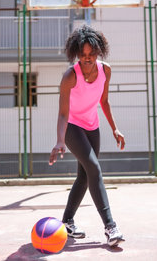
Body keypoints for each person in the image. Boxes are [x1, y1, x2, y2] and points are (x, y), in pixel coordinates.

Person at [49, 25, 126, 247]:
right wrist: (60, 140)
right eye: (82, 55)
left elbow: (104, 101)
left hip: (93, 126)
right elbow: (63, 113)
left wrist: (115, 128)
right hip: (73, 126)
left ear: (98, 52)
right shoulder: (70, 77)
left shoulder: (106, 71)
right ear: (77, 54)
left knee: (84, 175)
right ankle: (110, 226)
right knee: (94, 167)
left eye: (91, 54)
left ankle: (67, 222)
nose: (87, 59)